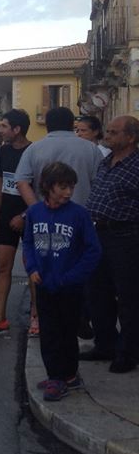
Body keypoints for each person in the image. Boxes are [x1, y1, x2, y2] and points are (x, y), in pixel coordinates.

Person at [15, 106, 104, 336]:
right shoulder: (90, 149)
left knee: (43, 266)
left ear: (48, 124)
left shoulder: (35, 148)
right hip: (82, 218)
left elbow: (22, 181)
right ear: (70, 124)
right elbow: (100, 184)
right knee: (80, 268)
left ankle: (40, 316)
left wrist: (37, 209)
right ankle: (81, 317)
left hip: (46, 218)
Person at [23, 162, 101, 401]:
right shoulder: (35, 212)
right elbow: (27, 242)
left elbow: (93, 250)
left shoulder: (78, 214)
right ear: (47, 187)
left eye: (71, 187)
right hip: (44, 284)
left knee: (67, 332)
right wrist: (32, 268)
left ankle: (66, 375)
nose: (68, 192)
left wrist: (72, 277)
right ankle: (56, 374)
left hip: (69, 287)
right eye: (63, 187)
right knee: (48, 332)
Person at [84, 116, 139, 373]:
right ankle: (105, 344)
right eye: (108, 131)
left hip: (126, 237)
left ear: (131, 137)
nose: (108, 135)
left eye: (114, 132)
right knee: (98, 292)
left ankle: (128, 353)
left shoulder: (136, 165)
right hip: (100, 234)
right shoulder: (106, 161)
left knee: (128, 297)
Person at [0, 109, 31, 337]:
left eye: (3, 126)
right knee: (2, 265)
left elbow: (39, 188)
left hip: (29, 217)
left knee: (33, 268)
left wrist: (25, 216)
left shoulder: (34, 151)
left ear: (17, 129)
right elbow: (0, 182)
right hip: (4, 215)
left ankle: (36, 317)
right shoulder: (4, 150)